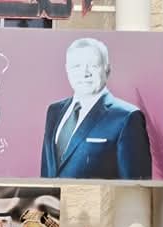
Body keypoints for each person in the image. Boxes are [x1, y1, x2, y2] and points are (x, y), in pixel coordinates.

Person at [40, 37, 152, 180]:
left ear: (107, 69)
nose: (85, 73)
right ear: (67, 69)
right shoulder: (54, 111)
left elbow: (135, 184)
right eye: (76, 66)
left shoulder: (127, 117)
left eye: (93, 65)